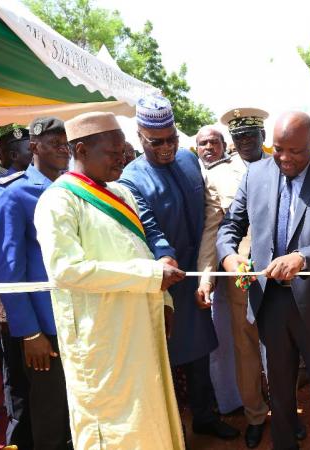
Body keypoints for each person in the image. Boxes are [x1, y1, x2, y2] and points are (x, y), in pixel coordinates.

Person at [33, 111, 185, 448]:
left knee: (149, 417)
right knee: (114, 427)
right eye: (113, 154)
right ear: (82, 151)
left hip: (142, 326)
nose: (122, 161)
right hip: (102, 339)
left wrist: (165, 300)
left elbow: (142, 253)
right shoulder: (59, 201)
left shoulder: (121, 193)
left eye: (124, 152)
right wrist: (150, 277)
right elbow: (66, 270)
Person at [217, 111, 310, 450]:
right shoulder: (255, 175)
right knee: (278, 388)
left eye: (295, 151)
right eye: (278, 149)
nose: (285, 158)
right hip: (269, 301)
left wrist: (302, 257)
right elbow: (230, 226)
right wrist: (229, 256)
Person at [118, 94, 239, 441]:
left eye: (172, 138)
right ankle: (174, 431)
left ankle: (205, 416)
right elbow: (151, 230)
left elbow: (208, 214)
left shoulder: (189, 161)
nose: (168, 147)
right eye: (158, 142)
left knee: (200, 353)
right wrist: (166, 262)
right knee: (166, 362)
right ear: (141, 136)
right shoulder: (132, 178)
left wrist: (205, 270)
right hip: (164, 283)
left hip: (198, 273)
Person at [0, 117, 72, 450]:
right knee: (49, 414)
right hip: (44, 326)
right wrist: (29, 332)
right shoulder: (12, 194)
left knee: (75, 407)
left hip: (76, 316)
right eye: (54, 144)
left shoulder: (71, 187)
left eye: (66, 144)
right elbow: (8, 270)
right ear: (34, 147)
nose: (63, 151)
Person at [196, 108, 271, 448]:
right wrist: (207, 276)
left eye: (250, 136)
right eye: (238, 137)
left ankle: (287, 414)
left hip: (283, 276)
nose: (244, 142)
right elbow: (214, 229)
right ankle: (255, 415)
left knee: (284, 349)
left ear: (262, 138)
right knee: (246, 350)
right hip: (243, 279)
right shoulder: (219, 176)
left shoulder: (285, 164)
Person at [0, 126, 33, 447]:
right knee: (16, 384)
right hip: (12, 301)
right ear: (11, 155)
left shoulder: (48, 185)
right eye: (30, 147)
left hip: (40, 300)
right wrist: (1, 302)